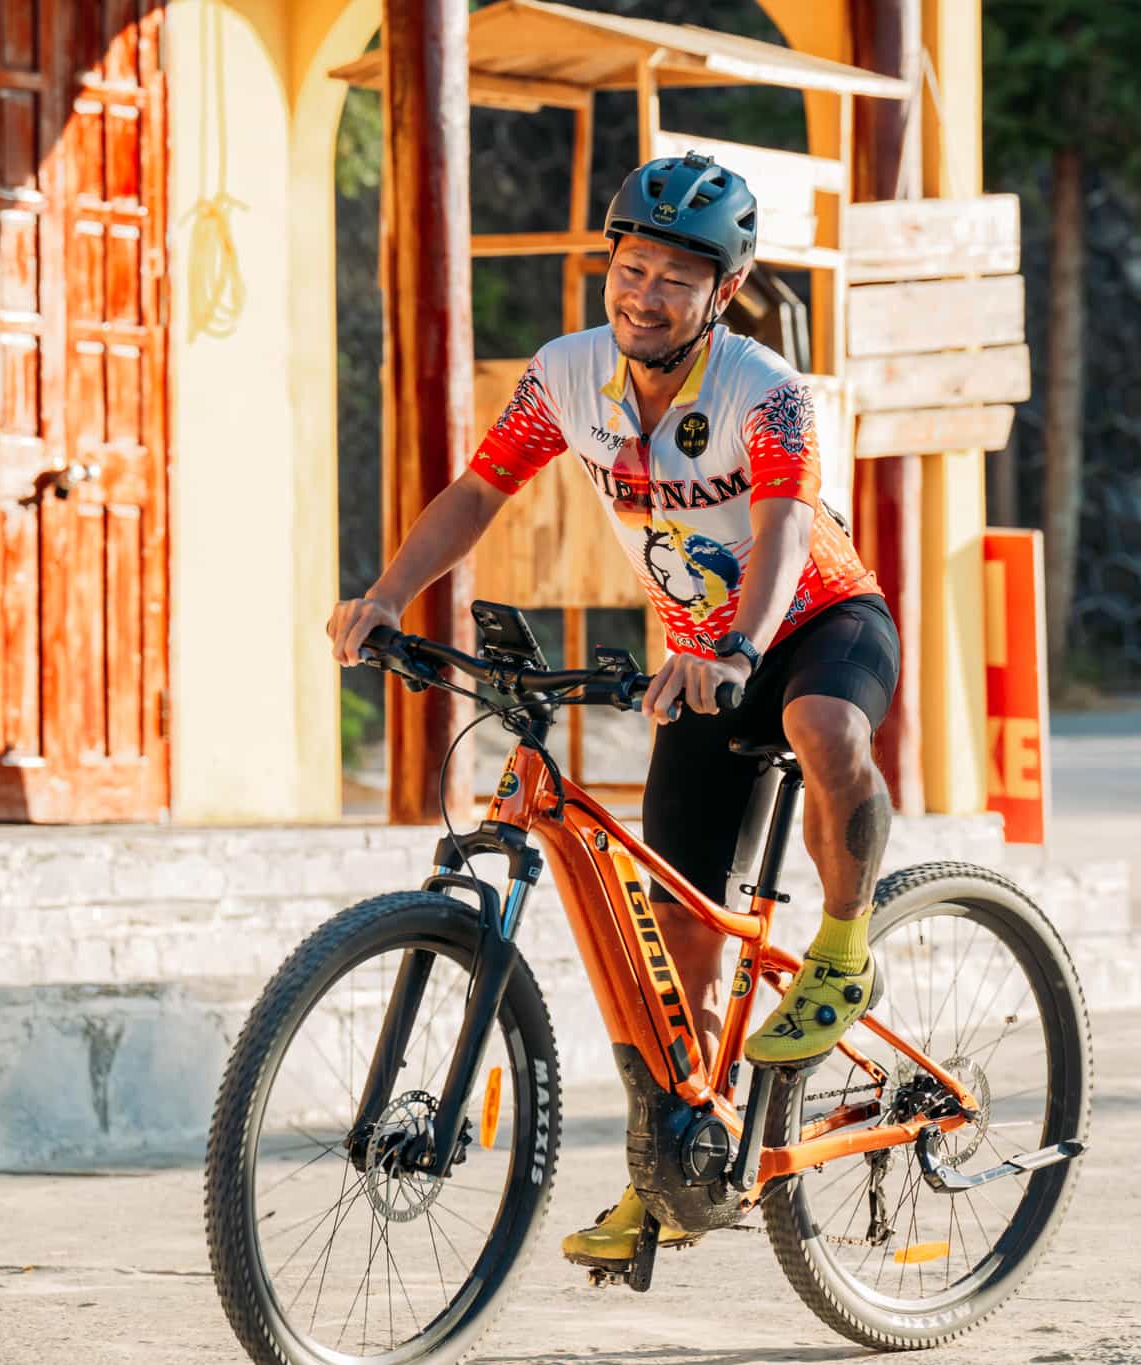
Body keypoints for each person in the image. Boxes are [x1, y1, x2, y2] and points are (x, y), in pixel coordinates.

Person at [327, 152, 900, 1271]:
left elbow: (783, 528)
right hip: (696, 662)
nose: (644, 295)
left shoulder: (766, 388)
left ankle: (843, 947)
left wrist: (738, 645)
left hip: (815, 622)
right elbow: (479, 491)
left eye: (675, 280)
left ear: (725, 291)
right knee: (680, 931)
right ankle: (676, 1169)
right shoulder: (565, 374)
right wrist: (387, 596)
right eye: (630, 269)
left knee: (824, 729)